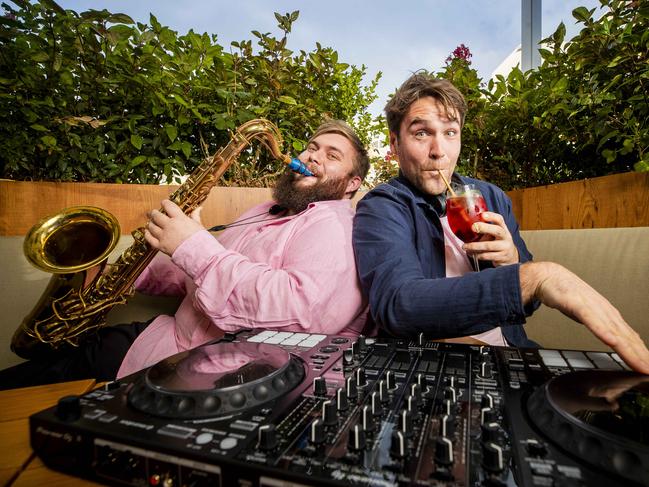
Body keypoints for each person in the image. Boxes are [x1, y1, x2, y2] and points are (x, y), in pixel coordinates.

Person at [0, 119, 372, 389]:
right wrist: (133, 268)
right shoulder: (265, 210)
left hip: (220, 371)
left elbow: (300, 312)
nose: (312, 156)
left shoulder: (336, 227)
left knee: (39, 383)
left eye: (332, 154)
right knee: (37, 371)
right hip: (166, 340)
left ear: (352, 184)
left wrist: (193, 246)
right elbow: (197, 275)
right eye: (312, 146)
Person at [352, 73, 649, 374]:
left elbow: (529, 302)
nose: (439, 151)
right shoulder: (382, 207)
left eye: (450, 132)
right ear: (395, 143)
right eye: (421, 133)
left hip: (512, 354)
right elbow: (398, 307)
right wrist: (534, 278)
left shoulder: (491, 196)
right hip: (436, 365)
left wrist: (513, 262)